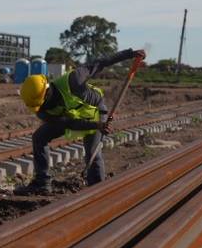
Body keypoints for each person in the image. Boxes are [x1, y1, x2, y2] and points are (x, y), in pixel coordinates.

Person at [15, 48, 146, 192]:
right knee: (39, 138)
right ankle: (42, 182)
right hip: (73, 118)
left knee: (92, 152)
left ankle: (97, 191)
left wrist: (130, 54)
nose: (39, 109)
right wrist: (95, 125)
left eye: (40, 104)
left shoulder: (75, 80)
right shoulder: (42, 110)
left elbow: (100, 62)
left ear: (46, 93)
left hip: (95, 112)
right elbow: (70, 124)